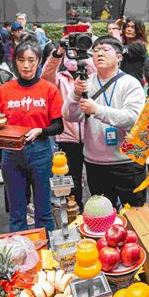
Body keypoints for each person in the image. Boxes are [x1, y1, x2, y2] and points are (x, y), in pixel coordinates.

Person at [62, 37, 147, 207]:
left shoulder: (130, 83)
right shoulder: (85, 83)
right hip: (96, 162)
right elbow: (70, 116)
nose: (99, 53)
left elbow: (133, 117)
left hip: (128, 161)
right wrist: (75, 94)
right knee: (102, 214)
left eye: (105, 50)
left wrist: (97, 110)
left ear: (119, 57)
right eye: (96, 51)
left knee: (135, 213)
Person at [0, 41, 64, 232]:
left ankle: (46, 248)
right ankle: (20, 249)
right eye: (21, 60)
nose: (26, 65)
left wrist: (41, 130)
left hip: (41, 152)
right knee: (17, 213)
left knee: (44, 211)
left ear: (39, 61)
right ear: (15, 62)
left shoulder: (49, 89)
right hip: (11, 153)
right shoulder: (4, 90)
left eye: (31, 60)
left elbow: (59, 126)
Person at [41, 39, 94, 194]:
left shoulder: (93, 75)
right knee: (72, 178)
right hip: (67, 136)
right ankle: (74, 205)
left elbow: (98, 68)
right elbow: (46, 76)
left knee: (95, 177)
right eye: (71, 52)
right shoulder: (60, 78)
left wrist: (87, 58)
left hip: (93, 135)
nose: (74, 56)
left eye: (78, 52)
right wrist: (58, 53)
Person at [120, 17, 148, 82]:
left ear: (138, 30)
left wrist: (116, 30)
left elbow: (118, 49)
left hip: (134, 83)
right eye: (127, 26)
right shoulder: (124, 44)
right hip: (122, 81)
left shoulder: (139, 46)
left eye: (133, 27)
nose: (129, 29)